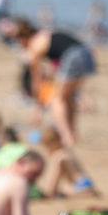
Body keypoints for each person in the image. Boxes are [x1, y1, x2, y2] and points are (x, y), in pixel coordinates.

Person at [10, 18, 96, 148]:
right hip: (86, 54)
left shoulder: (35, 45)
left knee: (57, 100)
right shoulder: (46, 34)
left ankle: (66, 136)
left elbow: (36, 81)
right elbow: (56, 66)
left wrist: (38, 109)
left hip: (73, 56)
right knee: (68, 98)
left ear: (22, 38)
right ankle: (72, 133)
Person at [37, 126, 97, 197]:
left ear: (51, 144)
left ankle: (86, 193)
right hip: (86, 184)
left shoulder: (59, 156)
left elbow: (52, 184)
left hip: (80, 187)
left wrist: (48, 192)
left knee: (59, 191)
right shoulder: (67, 152)